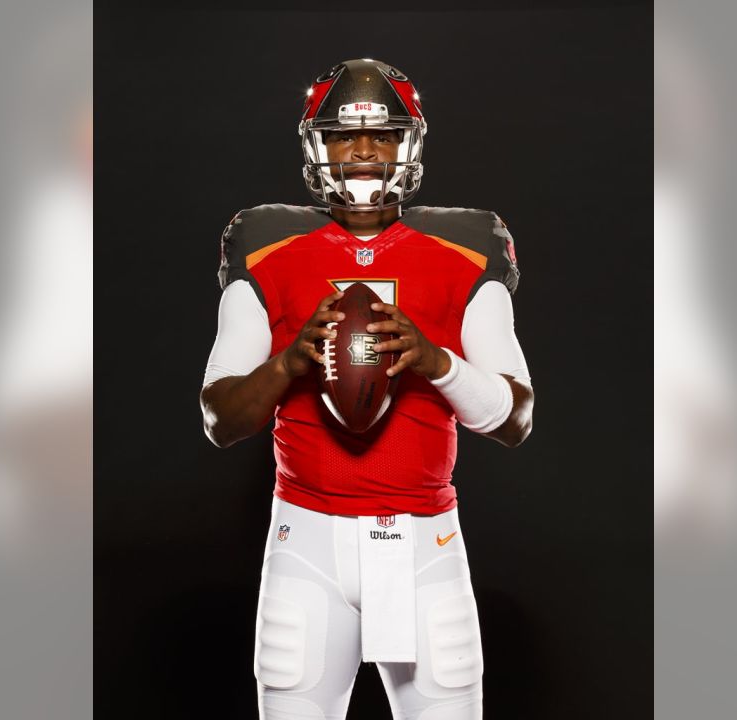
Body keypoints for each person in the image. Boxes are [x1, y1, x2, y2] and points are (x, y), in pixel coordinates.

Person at [199, 58, 533, 720]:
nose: (361, 151)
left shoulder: (466, 248)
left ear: (409, 142)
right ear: (314, 144)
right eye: (342, 135)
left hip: (422, 545)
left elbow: (514, 417)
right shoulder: (265, 245)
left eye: (382, 134)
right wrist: (289, 363)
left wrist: (435, 362)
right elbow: (220, 416)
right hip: (306, 542)